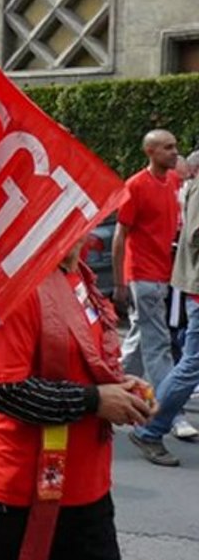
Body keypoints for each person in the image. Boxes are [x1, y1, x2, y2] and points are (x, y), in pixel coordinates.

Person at [0, 239, 153, 560]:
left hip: (85, 488)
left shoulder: (80, 276)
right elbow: (4, 391)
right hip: (17, 490)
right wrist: (95, 400)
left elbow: (87, 361)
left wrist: (122, 386)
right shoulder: (16, 283)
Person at [113, 129, 198, 442]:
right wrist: (121, 284)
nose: (175, 152)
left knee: (139, 337)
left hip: (168, 275)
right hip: (143, 276)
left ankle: (111, 385)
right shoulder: (135, 186)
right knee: (159, 344)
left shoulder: (175, 183)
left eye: (175, 146)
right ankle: (169, 414)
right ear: (150, 152)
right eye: (167, 148)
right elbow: (120, 237)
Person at [129, 164, 199, 467]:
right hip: (172, 283)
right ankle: (150, 428)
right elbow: (195, 235)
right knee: (189, 363)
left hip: (169, 280)